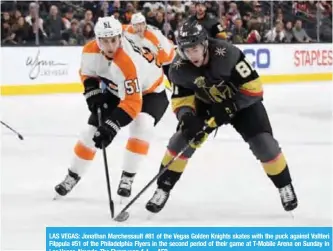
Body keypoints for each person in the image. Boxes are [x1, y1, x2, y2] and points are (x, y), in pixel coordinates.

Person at [145, 20, 298, 214]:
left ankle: (284, 185)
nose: (192, 55)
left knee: (265, 145)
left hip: (241, 102)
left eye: (195, 48)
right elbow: (181, 100)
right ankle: (163, 187)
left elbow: (255, 88)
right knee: (179, 142)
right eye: (186, 50)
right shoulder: (178, 68)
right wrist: (187, 118)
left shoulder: (228, 54)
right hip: (206, 104)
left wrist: (231, 106)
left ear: (205, 44)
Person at [54, 16, 169, 199]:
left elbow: (133, 102)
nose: (109, 46)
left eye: (113, 40)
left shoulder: (128, 61)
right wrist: (92, 92)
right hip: (117, 90)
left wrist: (111, 126)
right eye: (104, 41)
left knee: (142, 125)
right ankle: (72, 175)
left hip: (151, 93)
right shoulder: (89, 51)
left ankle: (128, 177)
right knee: (90, 132)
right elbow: (87, 73)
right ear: (97, 40)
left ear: (120, 38)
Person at [123, 12, 175, 89]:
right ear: (132, 25)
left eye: (141, 24)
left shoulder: (153, 35)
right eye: (136, 25)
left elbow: (164, 57)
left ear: (145, 24)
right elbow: (119, 27)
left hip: (168, 57)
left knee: (164, 82)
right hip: (152, 54)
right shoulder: (128, 29)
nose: (139, 27)